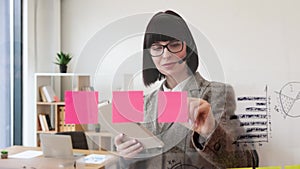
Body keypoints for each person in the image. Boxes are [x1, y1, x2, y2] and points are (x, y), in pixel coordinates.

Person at [114, 10, 259, 169]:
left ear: (188, 48)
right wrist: (125, 158)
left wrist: (210, 131)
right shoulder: (143, 104)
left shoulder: (217, 94)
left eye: (174, 45)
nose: (166, 55)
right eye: (156, 48)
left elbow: (247, 161)